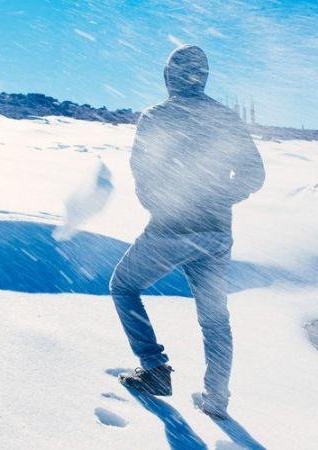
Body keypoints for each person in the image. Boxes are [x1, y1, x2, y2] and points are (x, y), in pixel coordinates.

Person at [110, 45, 265, 419]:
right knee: (214, 318)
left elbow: (143, 174)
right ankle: (216, 399)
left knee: (124, 286)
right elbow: (254, 175)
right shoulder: (226, 118)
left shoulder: (157, 116)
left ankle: (154, 368)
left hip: (172, 229)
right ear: (204, 77)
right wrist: (216, 198)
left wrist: (167, 205)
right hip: (216, 234)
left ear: (169, 76)